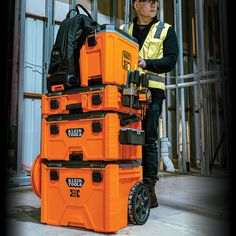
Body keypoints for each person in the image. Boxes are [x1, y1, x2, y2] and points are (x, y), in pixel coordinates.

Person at [120, 0, 179, 208]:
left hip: (152, 93)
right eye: (149, 1)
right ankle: (125, 180)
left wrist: (147, 63)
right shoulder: (123, 30)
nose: (154, 5)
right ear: (136, 4)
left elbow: (171, 60)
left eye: (156, 2)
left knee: (149, 138)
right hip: (126, 91)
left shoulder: (165, 30)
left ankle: (149, 188)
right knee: (124, 137)